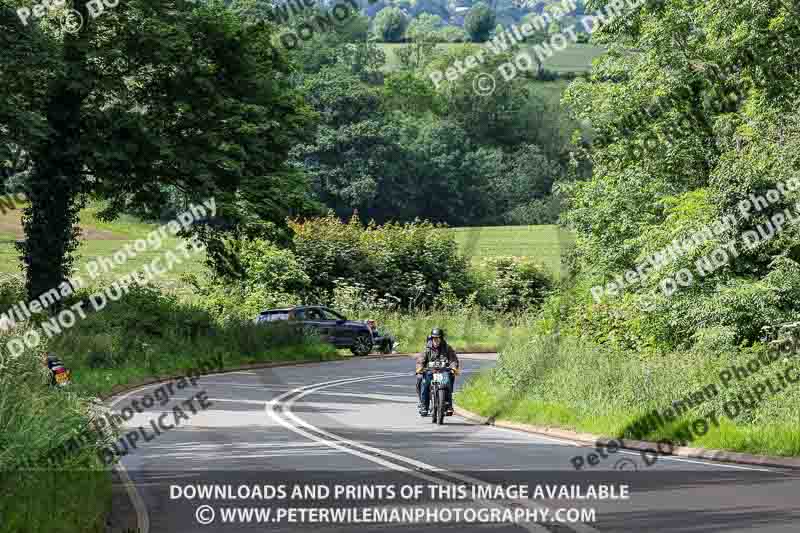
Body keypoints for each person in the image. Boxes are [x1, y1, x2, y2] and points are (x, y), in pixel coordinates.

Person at [415, 328, 459, 417]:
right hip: (430, 372)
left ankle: (448, 405)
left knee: (449, 380)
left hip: (443, 371)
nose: (436, 340)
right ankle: (424, 406)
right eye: (434, 338)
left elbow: (453, 359)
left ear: (441, 338)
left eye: (438, 338)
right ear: (431, 338)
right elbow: (421, 360)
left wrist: (453, 368)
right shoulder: (427, 348)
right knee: (425, 384)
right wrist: (420, 368)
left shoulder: (447, 348)